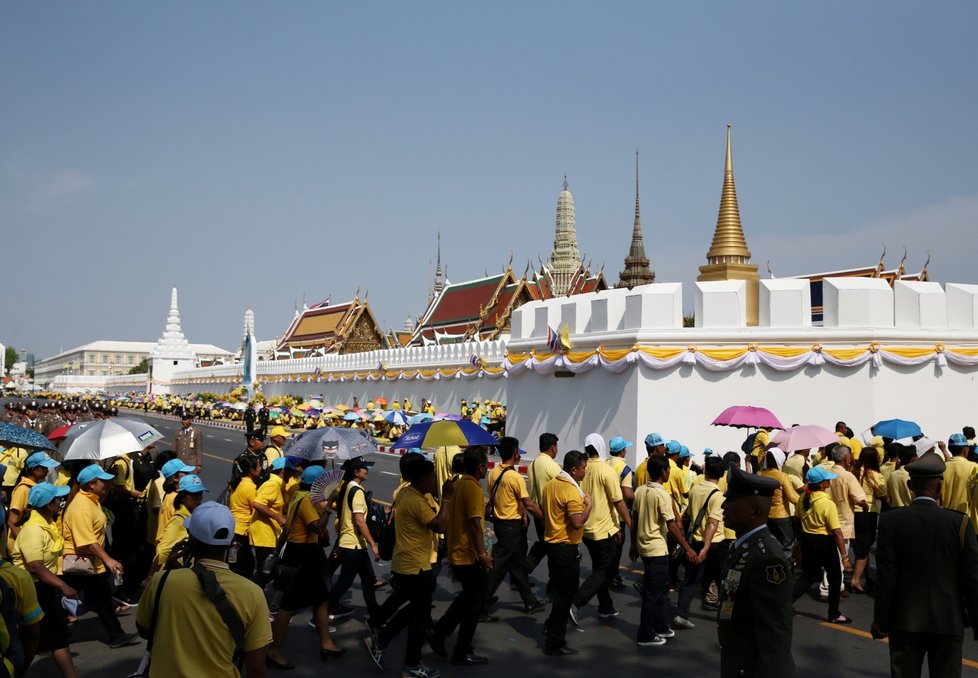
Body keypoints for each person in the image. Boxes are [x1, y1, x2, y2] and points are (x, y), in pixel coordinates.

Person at [136, 501, 272, 677]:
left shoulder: (162, 581)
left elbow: (144, 629)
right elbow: (256, 667)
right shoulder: (253, 593)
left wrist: (169, 565)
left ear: (191, 540)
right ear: (231, 542)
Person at [872, 452, 978, 677]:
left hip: (905, 619)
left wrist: (880, 620)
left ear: (910, 486)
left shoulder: (891, 521)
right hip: (947, 620)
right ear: (940, 487)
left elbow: (886, 575)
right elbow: (971, 577)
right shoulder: (960, 523)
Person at [366, 456, 453, 678]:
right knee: (420, 619)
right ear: (422, 478)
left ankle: (380, 639)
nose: (434, 480)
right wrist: (448, 499)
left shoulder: (407, 493)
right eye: (432, 476)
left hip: (409, 562)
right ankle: (411, 664)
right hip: (416, 566)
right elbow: (440, 525)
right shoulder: (415, 500)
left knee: (415, 610)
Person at [718, 464, 795, 678]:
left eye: (732, 501)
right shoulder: (745, 547)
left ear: (756, 511)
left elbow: (775, 634)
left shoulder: (766, 559)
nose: (724, 506)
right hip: (738, 662)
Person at [266, 466, 344, 669]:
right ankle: (275, 650)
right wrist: (328, 507)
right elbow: (316, 526)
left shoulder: (300, 496)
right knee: (288, 605)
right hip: (300, 555)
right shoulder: (307, 500)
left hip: (308, 552)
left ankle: (326, 642)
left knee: (321, 598)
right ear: (318, 484)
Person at [61, 464, 141, 648]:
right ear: (91, 484)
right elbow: (86, 540)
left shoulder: (90, 500)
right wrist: (108, 559)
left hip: (89, 562)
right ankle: (49, 634)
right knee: (65, 597)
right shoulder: (81, 506)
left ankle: (116, 635)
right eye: (103, 481)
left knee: (102, 598)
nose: (107, 484)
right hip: (80, 562)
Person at [428, 446, 491, 666]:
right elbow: (474, 524)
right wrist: (482, 554)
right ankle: (461, 649)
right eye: (486, 465)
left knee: (470, 597)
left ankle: (441, 633)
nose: (487, 470)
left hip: (457, 549)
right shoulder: (472, 489)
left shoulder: (456, 485)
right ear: (480, 467)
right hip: (468, 553)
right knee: (475, 602)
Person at [11, 482, 78, 678]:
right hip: (33, 590)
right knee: (37, 638)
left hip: (44, 588)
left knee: (53, 637)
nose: (61, 502)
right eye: (58, 499)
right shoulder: (34, 530)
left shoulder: (46, 524)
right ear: (50, 504)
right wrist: (63, 586)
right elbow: (35, 567)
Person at [630, 455, 695, 647]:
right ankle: (645, 634)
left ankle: (661, 626)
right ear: (663, 471)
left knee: (660, 589)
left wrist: (633, 544)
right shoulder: (662, 495)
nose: (669, 472)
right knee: (653, 592)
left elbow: (634, 519)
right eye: (668, 469)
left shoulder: (641, 490)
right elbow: (672, 525)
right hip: (656, 548)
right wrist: (687, 548)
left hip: (644, 546)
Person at [482, 437, 545, 618]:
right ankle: (481, 604)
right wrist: (544, 519)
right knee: (498, 568)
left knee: (516, 565)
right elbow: (528, 503)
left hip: (502, 524)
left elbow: (501, 496)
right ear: (515, 453)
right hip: (511, 526)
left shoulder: (494, 472)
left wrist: (522, 513)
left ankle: (530, 601)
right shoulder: (515, 476)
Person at [573, 433, 630, 621]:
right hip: (603, 529)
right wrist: (629, 522)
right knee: (603, 571)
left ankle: (606, 606)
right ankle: (575, 603)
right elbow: (618, 500)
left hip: (586, 527)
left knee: (599, 568)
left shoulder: (583, 469)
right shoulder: (606, 471)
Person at [540, 450, 591, 656]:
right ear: (573, 470)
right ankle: (555, 640)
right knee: (565, 596)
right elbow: (577, 522)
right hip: (564, 547)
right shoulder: (571, 491)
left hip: (552, 544)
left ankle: (551, 627)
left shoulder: (550, 486)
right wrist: (589, 506)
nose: (585, 472)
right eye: (583, 469)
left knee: (562, 592)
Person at [674, 455, 728, 630]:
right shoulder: (718, 496)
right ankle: (728, 616)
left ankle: (681, 614)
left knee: (691, 579)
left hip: (695, 541)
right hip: (715, 544)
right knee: (724, 582)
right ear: (721, 474)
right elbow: (713, 522)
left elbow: (689, 513)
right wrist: (706, 547)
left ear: (705, 470)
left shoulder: (695, 489)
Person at [792, 466, 852, 624]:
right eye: (827, 479)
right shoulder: (827, 503)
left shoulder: (804, 498)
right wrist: (845, 557)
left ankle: (783, 603)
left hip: (808, 539)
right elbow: (837, 532)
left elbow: (797, 520)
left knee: (808, 576)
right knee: (835, 577)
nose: (829, 481)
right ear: (820, 484)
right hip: (824, 541)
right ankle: (834, 614)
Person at [328, 457, 382, 624]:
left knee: (367, 581)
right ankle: (323, 611)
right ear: (356, 472)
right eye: (363, 468)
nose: (367, 470)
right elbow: (359, 520)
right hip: (353, 545)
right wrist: (373, 544)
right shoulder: (356, 491)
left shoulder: (347, 488)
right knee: (345, 581)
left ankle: (376, 615)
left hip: (355, 543)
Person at [249, 457, 292, 584]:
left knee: (268, 571)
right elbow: (257, 504)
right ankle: (247, 596)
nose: (293, 475)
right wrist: (278, 517)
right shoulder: (273, 485)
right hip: (264, 535)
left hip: (269, 534)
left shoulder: (279, 485)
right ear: (283, 471)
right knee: (265, 572)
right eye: (291, 471)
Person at [152, 474, 207, 571]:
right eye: (194, 494)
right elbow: (163, 552)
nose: (198, 498)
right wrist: (151, 576)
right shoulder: (179, 521)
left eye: (200, 493)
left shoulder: (192, 516)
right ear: (183, 496)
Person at [851, 445, 886, 593]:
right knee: (865, 546)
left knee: (859, 543)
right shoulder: (874, 475)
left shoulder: (852, 472)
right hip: (868, 511)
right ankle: (855, 579)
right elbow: (883, 494)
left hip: (853, 511)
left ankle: (866, 575)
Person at [525, 433, 561, 574]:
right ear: (553, 448)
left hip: (537, 512)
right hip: (550, 514)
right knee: (554, 548)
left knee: (546, 543)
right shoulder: (552, 466)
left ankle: (526, 567)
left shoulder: (532, 465)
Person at [759, 449, 800, 559]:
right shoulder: (782, 476)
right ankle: (785, 571)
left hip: (765, 517)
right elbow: (793, 498)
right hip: (782, 517)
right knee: (786, 548)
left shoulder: (760, 475)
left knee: (770, 547)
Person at [606, 436, 635, 590]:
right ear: (622, 451)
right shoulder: (625, 469)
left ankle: (610, 574)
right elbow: (628, 494)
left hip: (606, 512)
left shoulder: (605, 464)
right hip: (619, 514)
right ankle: (612, 576)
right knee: (617, 549)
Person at [228, 455, 262, 578]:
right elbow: (256, 509)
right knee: (245, 567)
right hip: (242, 532)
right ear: (251, 471)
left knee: (235, 563)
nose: (260, 469)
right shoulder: (250, 487)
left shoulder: (237, 483)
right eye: (258, 467)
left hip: (233, 528)